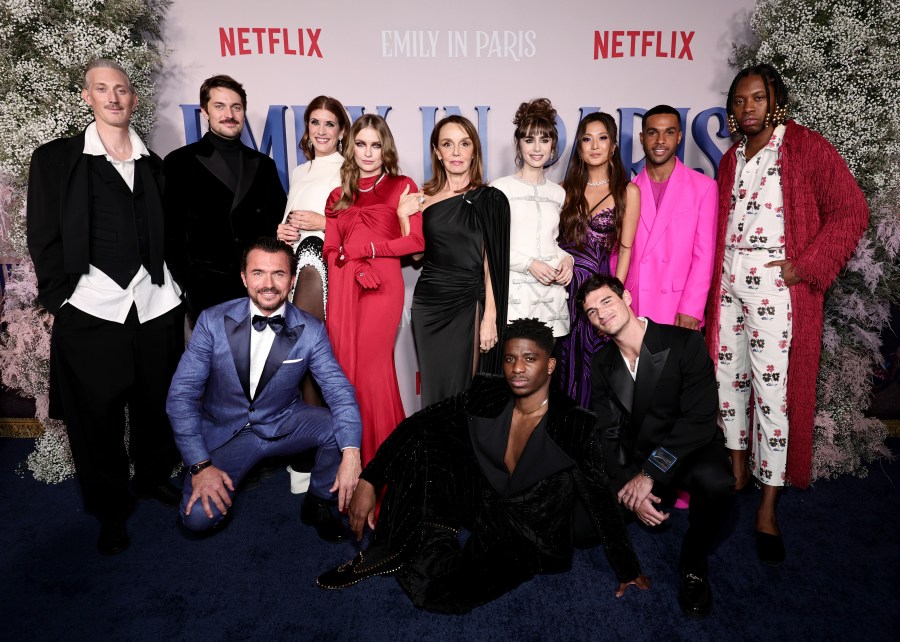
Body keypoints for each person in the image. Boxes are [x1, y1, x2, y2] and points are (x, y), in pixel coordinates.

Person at [317, 318, 649, 614]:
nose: (517, 368)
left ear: (549, 366)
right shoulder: (488, 391)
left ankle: (427, 539)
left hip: (527, 538)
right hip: (484, 504)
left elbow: (600, 501)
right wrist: (370, 479)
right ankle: (390, 550)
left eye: (529, 359)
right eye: (510, 358)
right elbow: (419, 424)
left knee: (441, 596)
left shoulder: (576, 424)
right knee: (427, 443)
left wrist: (627, 569)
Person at [707, 63, 868, 565]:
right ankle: (737, 469)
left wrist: (806, 266)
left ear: (774, 102)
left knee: (772, 393)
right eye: (739, 100)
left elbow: (852, 210)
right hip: (730, 284)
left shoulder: (803, 146)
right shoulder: (731, 159)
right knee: (727, 379)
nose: (747, 107)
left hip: (776, 290)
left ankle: (768, 505)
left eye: (756, 98)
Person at [26, 59, 185, 555]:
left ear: (133, 99)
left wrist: (174, 287)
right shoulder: (56, 160)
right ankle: (110, 509)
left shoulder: (153, 163)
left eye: (122, 89)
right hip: (92, 307)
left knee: (155, 404)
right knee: (95, 419)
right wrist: (62, 298)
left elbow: (168, 234)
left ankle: (153, 476)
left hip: (156, 304)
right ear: (86, 97)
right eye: (103, 89)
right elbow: (43, 235)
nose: (114, 98)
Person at [166, 237, 362, 542]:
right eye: (258, 273)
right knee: (196, 521)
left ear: (292, 280)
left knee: (341, 430)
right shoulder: (212, 321)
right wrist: (200, 465)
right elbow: (181, 397)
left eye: (279, 274)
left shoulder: (311, 330)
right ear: (244, 278)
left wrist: (352, 453)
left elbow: (339, 390)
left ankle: (318, 501)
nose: (268, 284)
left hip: (283, 421)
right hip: (226, 431)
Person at [582, 275, 733, 618]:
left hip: (689, 448)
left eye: (606, 301)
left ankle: (694, 561)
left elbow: (698, 420)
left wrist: (650, 473)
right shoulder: (602, 363)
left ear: (627, 298)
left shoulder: (684, 343)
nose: (601, 314)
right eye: (592, 312)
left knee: (719, 483)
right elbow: (607, 432)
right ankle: (643, 499)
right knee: (582, 531)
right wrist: (627, 485)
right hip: (638, 457)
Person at [322, 114, 424, 466]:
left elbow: (415, 242)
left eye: (376, 145)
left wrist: (369, 253)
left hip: (383, 286)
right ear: (351, 147)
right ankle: (354, 460)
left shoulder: (402, 186)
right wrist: (354, 263)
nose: (368, 153)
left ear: (386, 149)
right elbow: (330, 250)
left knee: (373, 370)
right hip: (347, 285)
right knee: (349, 372)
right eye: (361, 144)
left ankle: (384, 463)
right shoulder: (339, 194)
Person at [163, 74, 286, 323]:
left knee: (261, 361)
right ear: (205, 112)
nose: (229, 114)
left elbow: (277, 226)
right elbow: (169, 232)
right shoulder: (179, 163)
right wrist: (187, 283)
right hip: (206, 290)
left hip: (259, 289)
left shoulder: (264, 165)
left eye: (236, 107)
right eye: (219, 106)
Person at [412, 115, 510, 405]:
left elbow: (493, 262)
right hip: (429, 303)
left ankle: (464, 451)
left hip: (468, 301)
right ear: (437, 152)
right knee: (434, 393)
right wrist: (404, 214)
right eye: (447, 144)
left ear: (474, 151)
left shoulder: (491, 199)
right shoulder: (423, 198)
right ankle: (436, 450)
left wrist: (490, 315)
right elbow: (416, 254)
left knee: (465, 392)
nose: (456, 152)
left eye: (464, 144)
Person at [558, 112, 640, 408]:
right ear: (579, 146)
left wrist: (613, 294)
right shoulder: (565, 190)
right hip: (562, 287)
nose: (595, 146)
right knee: (563, 359)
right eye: (587, 139)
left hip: (596, 288)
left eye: (602, 138)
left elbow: (626, 248)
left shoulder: (627, 192)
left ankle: (596, 442)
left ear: (614, 146)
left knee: (595, 362)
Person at [612, 105, 717, 330]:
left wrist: (692, 307)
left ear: (679, 137)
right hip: (634, 304)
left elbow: (704, 255)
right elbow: (617, 253)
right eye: (652, 133)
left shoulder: (704, 187)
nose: (660, 140)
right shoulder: (627, 190)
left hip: (678, 306)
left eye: (669, 132)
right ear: (642, 137)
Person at [491, 98, 572, 338]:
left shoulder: (558, 193)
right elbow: (492, 246)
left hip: (552, 294)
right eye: (529, 140)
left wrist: (567, 261)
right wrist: (530, 264)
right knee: (516, 370)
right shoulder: (499, 189)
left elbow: (553, 242)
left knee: (548, 371)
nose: (537, 148)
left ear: (553, 145)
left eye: (544, 140)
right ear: (518, 145)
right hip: (515, 294)